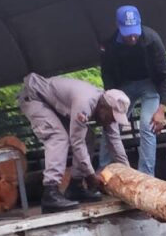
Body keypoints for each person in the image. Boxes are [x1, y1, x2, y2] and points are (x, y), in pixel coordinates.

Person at [18, 74, 132, 213]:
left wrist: (130, 174)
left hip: (54, 104)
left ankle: (75, 186)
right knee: (58, 136)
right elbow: (76, 142)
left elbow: (115, 140)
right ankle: (51, 192)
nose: (112, 121)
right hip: (35, 98)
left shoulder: (106, 106)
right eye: (112, 117)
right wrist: (90, 175)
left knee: (88, 137)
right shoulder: (84, 103)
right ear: (103, 107)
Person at [99, 5, 166, 177]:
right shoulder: (110, 46)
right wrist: (111, 98)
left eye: (135, 32)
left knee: (148, 125)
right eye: (127, 33)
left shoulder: (152, 39)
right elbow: (107, 74)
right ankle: (103, 171)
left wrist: (162, 109)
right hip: (124, 87)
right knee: (111, 124)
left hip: (150, 84)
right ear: (119, 28)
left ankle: (145, 176)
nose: (132, 37)